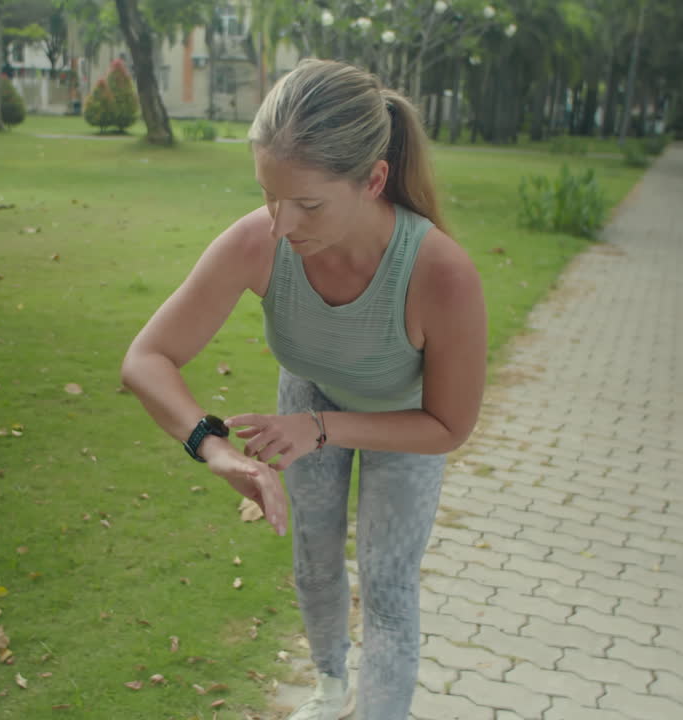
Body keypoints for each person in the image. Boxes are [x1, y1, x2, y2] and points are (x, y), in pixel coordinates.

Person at [121, 59, 486, 720]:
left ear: (374, 179)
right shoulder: (258, 241)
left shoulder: (442, 275)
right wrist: (215, 448)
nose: (282, 227)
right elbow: (146, 359)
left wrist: (322, 430)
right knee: (314, 556)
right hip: (311, 394)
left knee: (387, 585)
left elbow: (450, 426)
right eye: (269, 195)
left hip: (405, 422)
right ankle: (328, 686)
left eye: (308, 204)